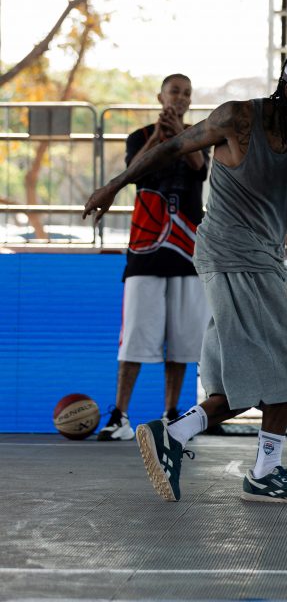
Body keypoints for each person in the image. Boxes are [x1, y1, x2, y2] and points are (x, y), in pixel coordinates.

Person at [84, 36, 287, 504]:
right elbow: (172, 148)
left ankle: (182, 436)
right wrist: (115, 184)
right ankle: (254, 466)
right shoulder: (239, 117)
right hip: (231, 252)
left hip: (262, 258)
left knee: (243, 378)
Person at [96, 74, 210, 442]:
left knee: (182, 341)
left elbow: (199, 168)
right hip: (145, 250)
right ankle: (120, 415)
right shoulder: (139, 136)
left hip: (187, 249)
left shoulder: (200, 134)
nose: (181, 97)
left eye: (187, 93)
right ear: (160, 96)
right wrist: (159, 137)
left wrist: (179, 135)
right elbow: (133, 172)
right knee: (134, 339)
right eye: (175, 91)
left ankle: (172, 414)